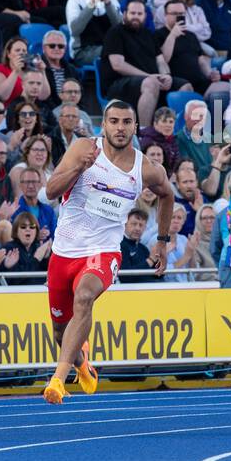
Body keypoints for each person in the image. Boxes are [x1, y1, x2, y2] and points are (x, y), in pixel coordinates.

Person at [43, 100, 174, 404]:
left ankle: (57, 381)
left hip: (103, 252)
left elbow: (167, 195)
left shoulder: (146, 168)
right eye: (113, 121)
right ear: (103, 124)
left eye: (126, 122)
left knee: (85, 296)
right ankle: (81, 362)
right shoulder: (83, 149)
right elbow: (51, 191)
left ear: (135, 127)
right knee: (61, 334)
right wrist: (79, 167)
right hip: (64, 253)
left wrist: (162, 241)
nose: (120, 128)